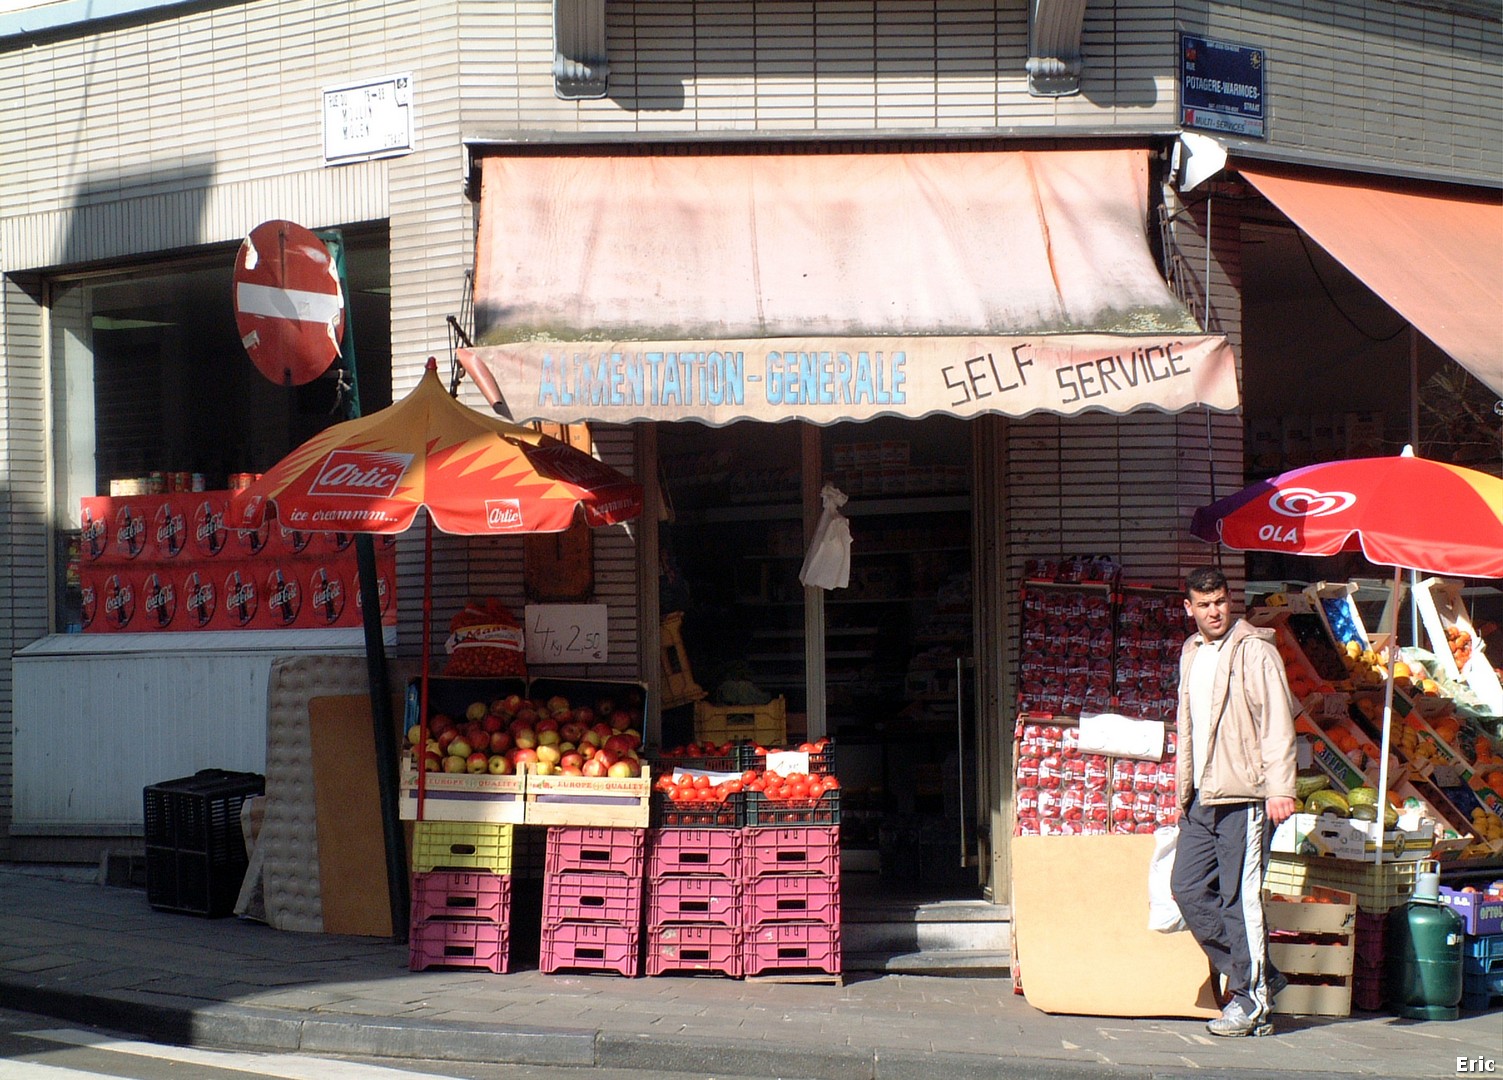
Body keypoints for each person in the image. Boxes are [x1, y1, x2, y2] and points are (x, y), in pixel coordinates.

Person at [1171, 566, 1298, 1038]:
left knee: (1238, 901)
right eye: (1203, 605)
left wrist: (1281, 788)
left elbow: (1278, 724)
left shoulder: (1255, 651)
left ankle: (1250, 1001)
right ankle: (1262, 977)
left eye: (1220, 602)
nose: (1214, 611)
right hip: (1203, 797)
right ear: (1190, 609)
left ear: (1231, 601)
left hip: (1245, 795)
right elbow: (1189, 725)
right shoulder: (1191, 652)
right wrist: (1183, 787)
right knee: (1186, 889)